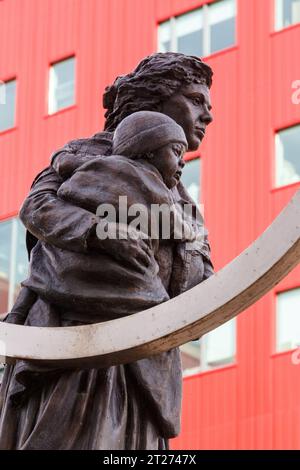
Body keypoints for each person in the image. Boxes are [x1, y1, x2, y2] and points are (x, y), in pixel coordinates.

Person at [0, 52, 215, 450]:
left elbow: (202, 267)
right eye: (195, 100)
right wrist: (99, 231)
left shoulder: (180, 196)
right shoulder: (82, 156)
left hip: (145, 357)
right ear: (157, 100)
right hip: (74, 341)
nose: (208, 116)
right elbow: (38, 207)